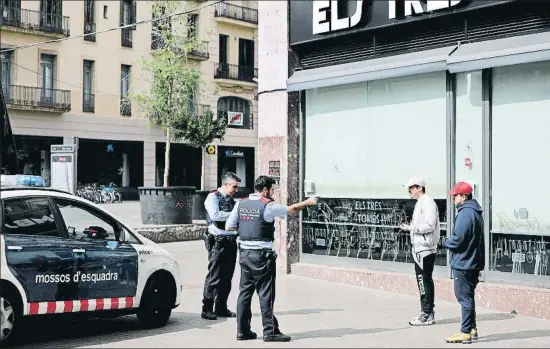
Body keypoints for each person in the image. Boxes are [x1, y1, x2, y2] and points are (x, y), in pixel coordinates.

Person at [226, 175, 318, 342]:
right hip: (262, 257)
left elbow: (229, 226)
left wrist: (246, 227)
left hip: (245, 254)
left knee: (244, 294)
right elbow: (292, 210)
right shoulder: (267, 206)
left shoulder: (241, 203)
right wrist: (308, 202)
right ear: (265, 190)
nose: (273, 191)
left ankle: (242, 331)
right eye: (272, 189)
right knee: (266, 294)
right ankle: (270, 332)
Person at [442, 181, 484, 344]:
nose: (453, 198)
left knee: (464, 298)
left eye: (456, 195)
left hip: (464, 263)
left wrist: (445, 242)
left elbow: (458, 239)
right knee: (469, 297)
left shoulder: (466, 213)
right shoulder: (475, 212)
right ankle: (472, 329)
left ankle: (465, 332)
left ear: (464, 196)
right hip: (472, 262)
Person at [399, 176, 440, 326]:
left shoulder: (427, 202)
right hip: (420, 248)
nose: (409, 191)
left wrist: (411, 228)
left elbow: (429, 225)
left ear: (420, 188)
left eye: (412, 188)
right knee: (423, 280)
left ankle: (427, 313)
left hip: (425, 248)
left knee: (424, 280)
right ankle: (427, 312)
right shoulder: (420, 203)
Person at [201, 172, 241, 320]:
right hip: (217, 241)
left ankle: (221, 307)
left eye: (237, 187)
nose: (236, 190)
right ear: (225, 184)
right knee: (214, 276)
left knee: (227, 277)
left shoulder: (232, 200)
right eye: (234, 186)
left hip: (231, 241)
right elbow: (215, 216)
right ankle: (207, 308)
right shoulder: (212, 197)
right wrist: (234, 214)